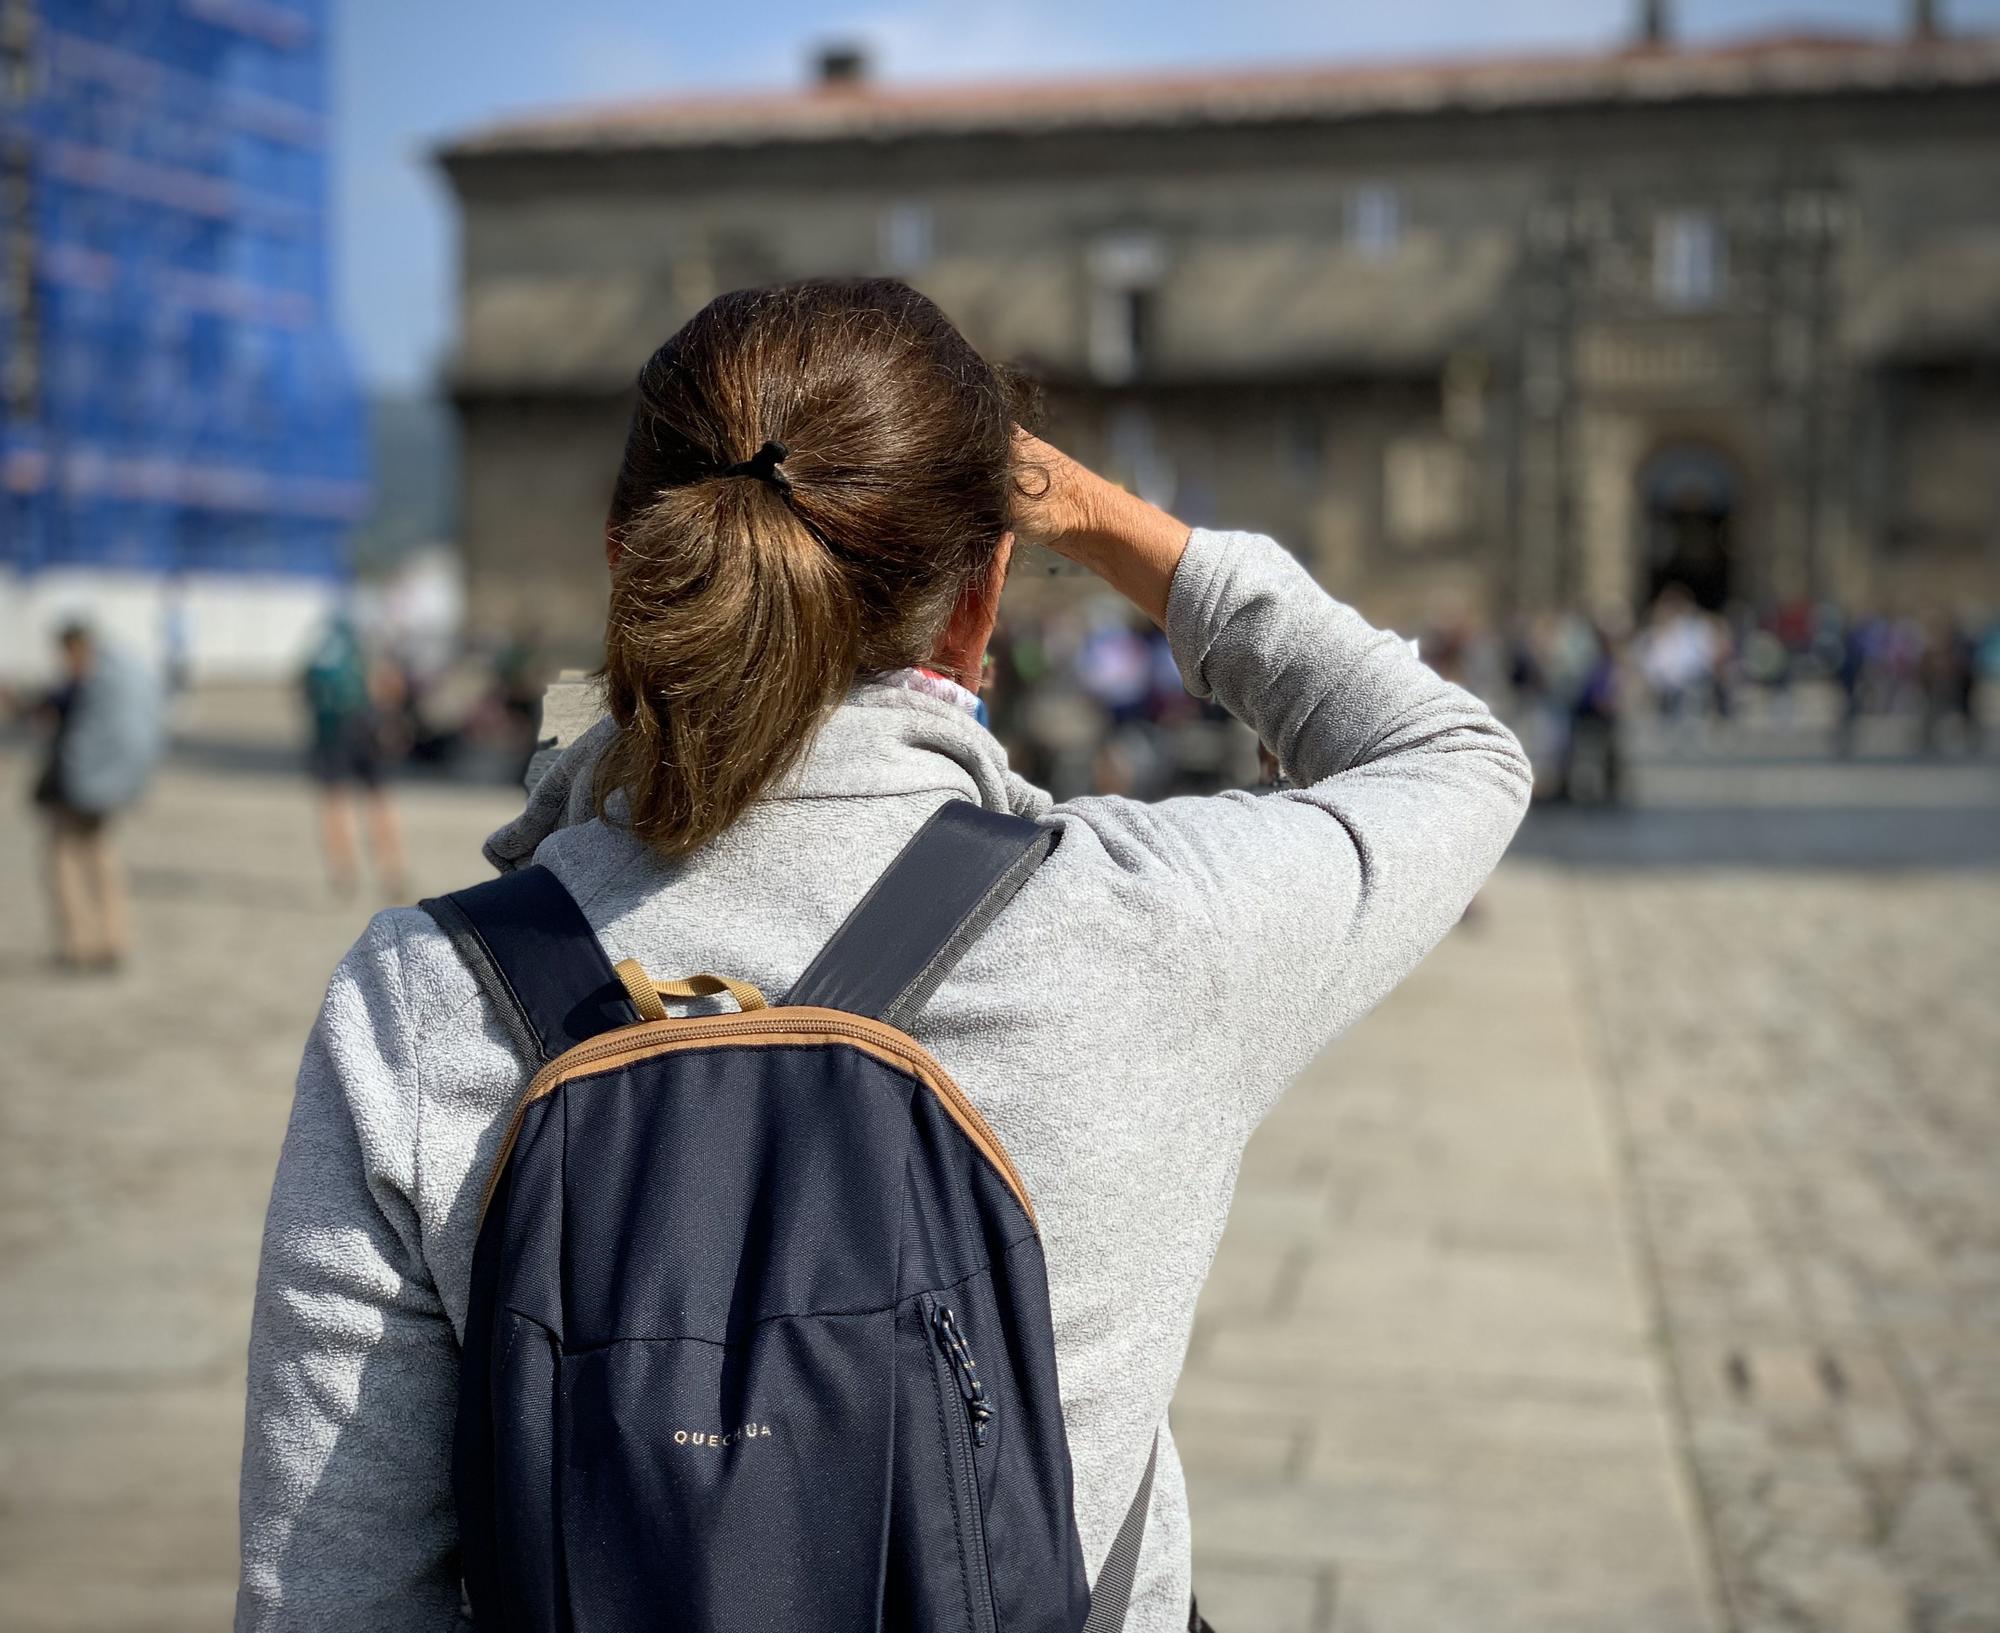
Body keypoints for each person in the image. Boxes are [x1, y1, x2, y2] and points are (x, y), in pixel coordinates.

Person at [236, 280, 1533, 1632]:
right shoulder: (1149, 927)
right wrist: (1111, 523)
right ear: (979, 602)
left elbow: (327, 1596)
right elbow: (1458, 757)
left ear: (631, 571)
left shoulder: (419, 1001)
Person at [26, 622, 163, 971]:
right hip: (110, 787)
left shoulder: (82, 682)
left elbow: (46, 712)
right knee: (102, 857)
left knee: (64, 859)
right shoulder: (124, 677)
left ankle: (78, 943)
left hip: (76, 785)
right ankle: (114, 938)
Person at [299, 612, 407, 899]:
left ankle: (343, 871)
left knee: (334, 800)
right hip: (366, 728)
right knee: (378, 798)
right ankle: (391, 869)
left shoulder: (323, 644)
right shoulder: (367, 642)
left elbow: (304, 692)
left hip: (332, 733)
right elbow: (390, 684)